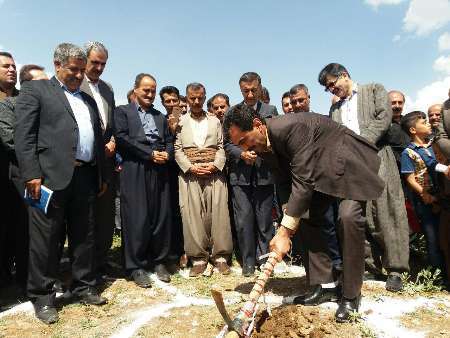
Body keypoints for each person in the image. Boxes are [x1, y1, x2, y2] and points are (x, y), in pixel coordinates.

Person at [223, 104, 384, 322]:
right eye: (238, 145)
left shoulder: (291, 128)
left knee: (348, 217)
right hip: (320, 170)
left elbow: (303, 180)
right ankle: (326, 285)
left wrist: (284, 232)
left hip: (349, 162)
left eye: (244, 140)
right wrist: (288, 212)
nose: (244, 148)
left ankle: (351, 294)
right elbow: (282, 179)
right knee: (303, 216)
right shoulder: (262, 145)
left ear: (257, 125)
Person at [14, 43, 108, 324]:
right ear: (57, 65)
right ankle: (42, 297)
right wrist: (31, 173)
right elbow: (24, 135)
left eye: (82, 71)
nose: (80, 76)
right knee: (46, 241)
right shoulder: (37, 91)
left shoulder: (88, 100)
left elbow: (98, 140)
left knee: (84, 235)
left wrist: (100, 176)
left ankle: (83, 286)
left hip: (85, 176)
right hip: (49, 178)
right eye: (74, 70)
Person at [319, 63, 410, 292]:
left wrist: (361, 143)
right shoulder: (335, 109)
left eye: (333, 84)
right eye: (328, 88)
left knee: (387, 210)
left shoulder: (374, 90)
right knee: (358, 215)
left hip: (378, 156)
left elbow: (384, 116)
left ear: (344, 75)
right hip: (353, 165)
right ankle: (371, 266)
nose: (332, 90)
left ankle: (396, 270)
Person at [114, 73, 173, 286]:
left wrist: (167, 154)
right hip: (135, 167)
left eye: (153, 90)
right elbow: (121, 138)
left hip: (159, 169)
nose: (149, 94)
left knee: (160, 215)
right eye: (146, 90)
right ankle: (135, 266)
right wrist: (148, 154)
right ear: (136, 89)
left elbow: (168, 140)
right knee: (136, 217)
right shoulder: (122, 112)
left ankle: (158, 261)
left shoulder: (159, 116)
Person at [175, 83, 232, 277]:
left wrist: (215, 165)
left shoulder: (215, 121)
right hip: (190, 173)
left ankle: (221, 257)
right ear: (187, 98)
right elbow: (177, 149)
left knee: (219, 213)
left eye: (200, 97)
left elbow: (221, 146)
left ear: (204, 96)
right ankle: (198, 258)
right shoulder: (180, 122)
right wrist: (190, 167)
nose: (197, 101)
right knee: (192, 215)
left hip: (213, 172)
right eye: (192, 98)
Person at [224, 72, 278, 277]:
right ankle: (247, 261)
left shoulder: (271, 110)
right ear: (240, 90)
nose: (249, 94)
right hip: (241, 177)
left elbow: (274, 139)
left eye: (253, 90)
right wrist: (241, 153)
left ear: (260, 87)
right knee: (244, 219)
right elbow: (227, 143)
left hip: (264, 173)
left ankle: (264, 259)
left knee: (264, 220)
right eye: (245, 91)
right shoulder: (232, 113)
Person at [0, 64, 48, 291]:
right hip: (20, 174)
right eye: (4, 65)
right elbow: (12, 139)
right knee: (23, 228)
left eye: (12, 65)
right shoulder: (8, 105)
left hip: (44, 172)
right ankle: (22, 279)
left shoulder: (46, 104)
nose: (10, 68)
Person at [80, 41, 116, 283]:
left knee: (104, 216)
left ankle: (101, 263)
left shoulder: (107, 88)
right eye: (95, 62)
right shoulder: (72, 84)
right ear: (84, 60)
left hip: (106, 161)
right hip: (83, 161)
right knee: (84, 219)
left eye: (103, 64)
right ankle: (84, 268)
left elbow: (109, 123)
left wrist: (112, 140)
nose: (99, 68)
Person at [400, 111, 449, 271]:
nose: (428, 124)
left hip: (441, 196)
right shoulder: (408, 152)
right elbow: (410, 179)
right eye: (423, 122)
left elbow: (435, 165)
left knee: (444, 234)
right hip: (425, 201)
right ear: (413, 130)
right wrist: (424, 194)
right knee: (432, 237)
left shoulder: (433, 146)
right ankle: (437, 273)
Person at [159, 85, 184, 268]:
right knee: (172, 211)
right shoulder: (160, 119)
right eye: (167, 101)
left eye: (174, 100)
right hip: (168, 170)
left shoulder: (189, 119)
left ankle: (186, 251)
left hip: (187, 169)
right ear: (162, 103)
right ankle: (172, 253)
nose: (171, 103)